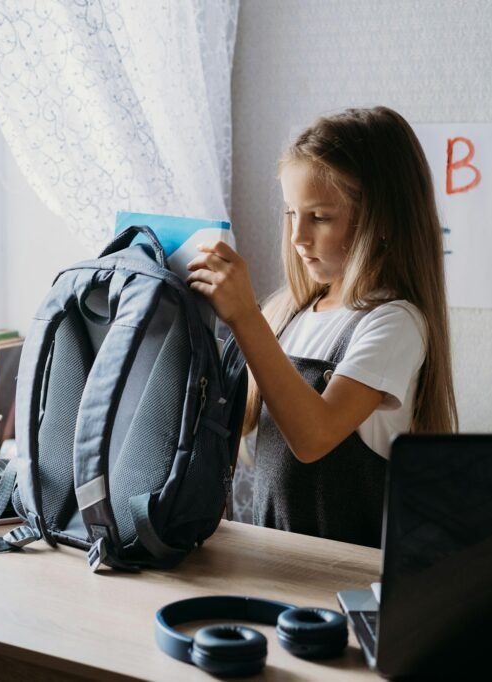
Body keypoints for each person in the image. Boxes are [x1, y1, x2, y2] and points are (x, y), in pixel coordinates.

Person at [187, 106, 457, 547]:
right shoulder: (289, 314)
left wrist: (245, 319)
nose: (297, 236)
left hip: (346, 578)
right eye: (292, 214)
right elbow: (240, 423)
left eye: (320, 217)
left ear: (382, 222)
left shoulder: (395, 323)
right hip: (280, 560)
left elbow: (312, 436)